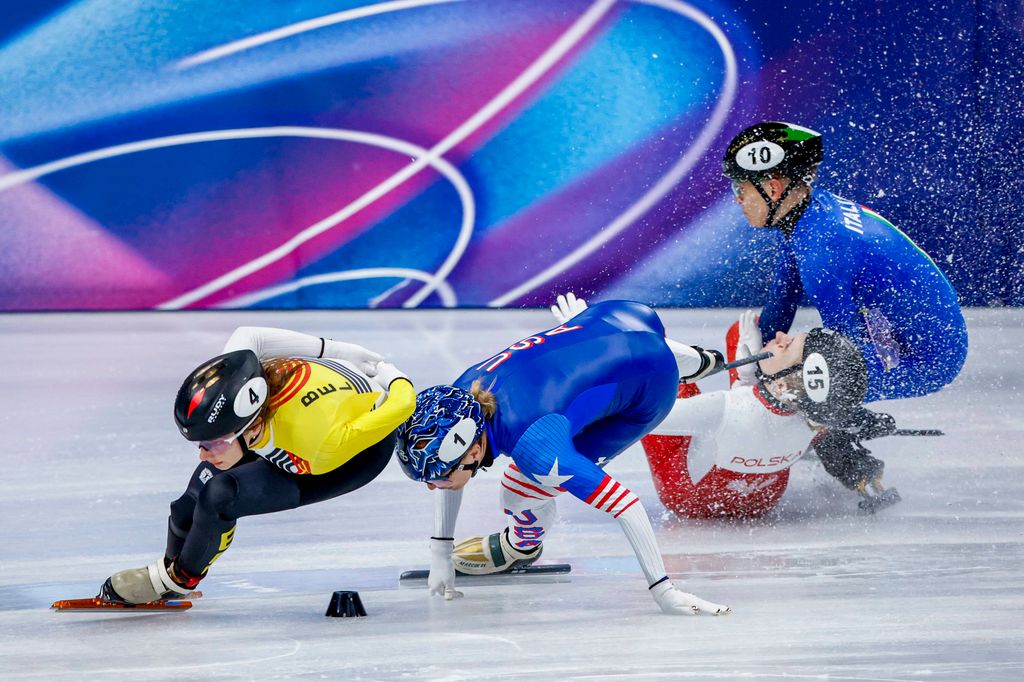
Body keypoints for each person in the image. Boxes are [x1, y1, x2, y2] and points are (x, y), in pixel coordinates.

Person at [394, 295, 731, 616]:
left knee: (516, 491)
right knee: (646, 355)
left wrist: (664, 591)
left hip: (649, 392)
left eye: (436, 475)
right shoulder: (462, 393)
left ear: (475, 449)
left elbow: (626, 506)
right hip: (614, 318)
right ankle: (701, 359)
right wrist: (440, 551)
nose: (433, 485)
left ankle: (522, 545)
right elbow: (451, 473)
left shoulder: (537, 447)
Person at [722, 121, 967, 491]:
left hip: (924, 360)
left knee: (791, 376)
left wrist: (821, 415)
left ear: (773, 187)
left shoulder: (823, 247)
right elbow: (781, 302)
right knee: (766, 351)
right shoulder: (807, 217)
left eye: (741, 189)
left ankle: (857, 469)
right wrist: (758, 359)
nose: (738, 200)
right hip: (906, 335)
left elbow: (842, 359)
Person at [97, 327, 415, 605]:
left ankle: (180, 580)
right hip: (295, 417)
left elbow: (403, 405)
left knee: (219, 496)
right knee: (185, 507)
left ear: (248, 429)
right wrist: (338, 350)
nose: (202, 454)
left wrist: (392, 376)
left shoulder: (318, 444)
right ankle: (173, 570)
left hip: (352, 455)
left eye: (212, 444)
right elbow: (252, 334)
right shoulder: (239, 374)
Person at [642, 310, 899, 517]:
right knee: (745, 335)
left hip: (688, 497)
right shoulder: (818, 417)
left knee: (652, 361)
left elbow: (642, 417)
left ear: (782, 386)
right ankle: (858, 474)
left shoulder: (722, 408)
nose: (780, 335)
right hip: (763, 500)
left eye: (786, 346)